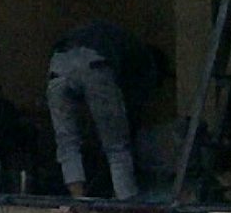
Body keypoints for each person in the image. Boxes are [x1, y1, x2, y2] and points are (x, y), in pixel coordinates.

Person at [46, 21, 160, 202]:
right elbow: (133, 99)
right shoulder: (143, 61)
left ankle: (80, 205)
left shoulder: (113, 38)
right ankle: (125, 208)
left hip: (58, 64)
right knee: (117, 147)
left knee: (67, 143)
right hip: (95, 62)